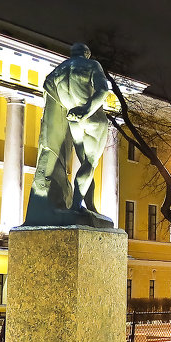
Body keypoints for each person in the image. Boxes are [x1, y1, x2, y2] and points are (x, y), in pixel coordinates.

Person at [24, 42, 113, 226]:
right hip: (91, 118)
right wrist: (87, 109)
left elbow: (50, 95)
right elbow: (103, 90)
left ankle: (90, 205)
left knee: (86, 164)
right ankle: (76, 206)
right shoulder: (91, 65)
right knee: (90, 162)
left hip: (73, 120)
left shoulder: (57, 71)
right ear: (87, 54)